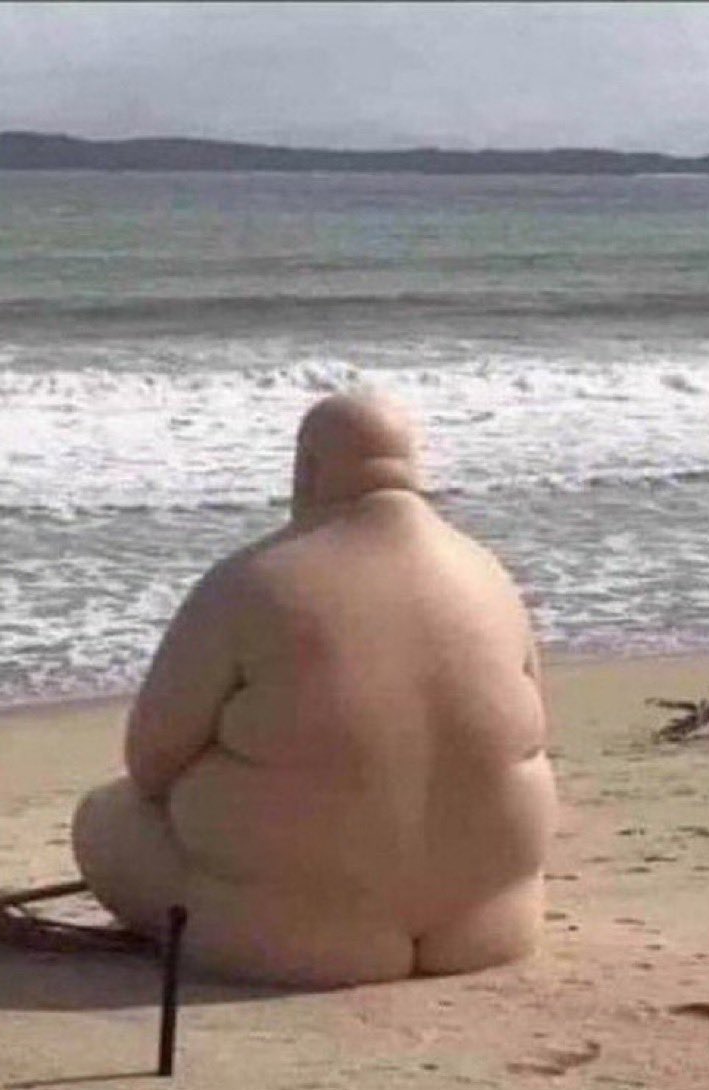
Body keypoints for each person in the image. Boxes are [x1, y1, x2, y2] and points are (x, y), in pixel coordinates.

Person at [72, 391, 556, 986]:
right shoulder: (488, 575)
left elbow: (150, 763)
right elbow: (532, 736)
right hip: (487, 918)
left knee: (105, 816)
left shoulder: (252, 581)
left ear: (306, 469)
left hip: (286, 926)